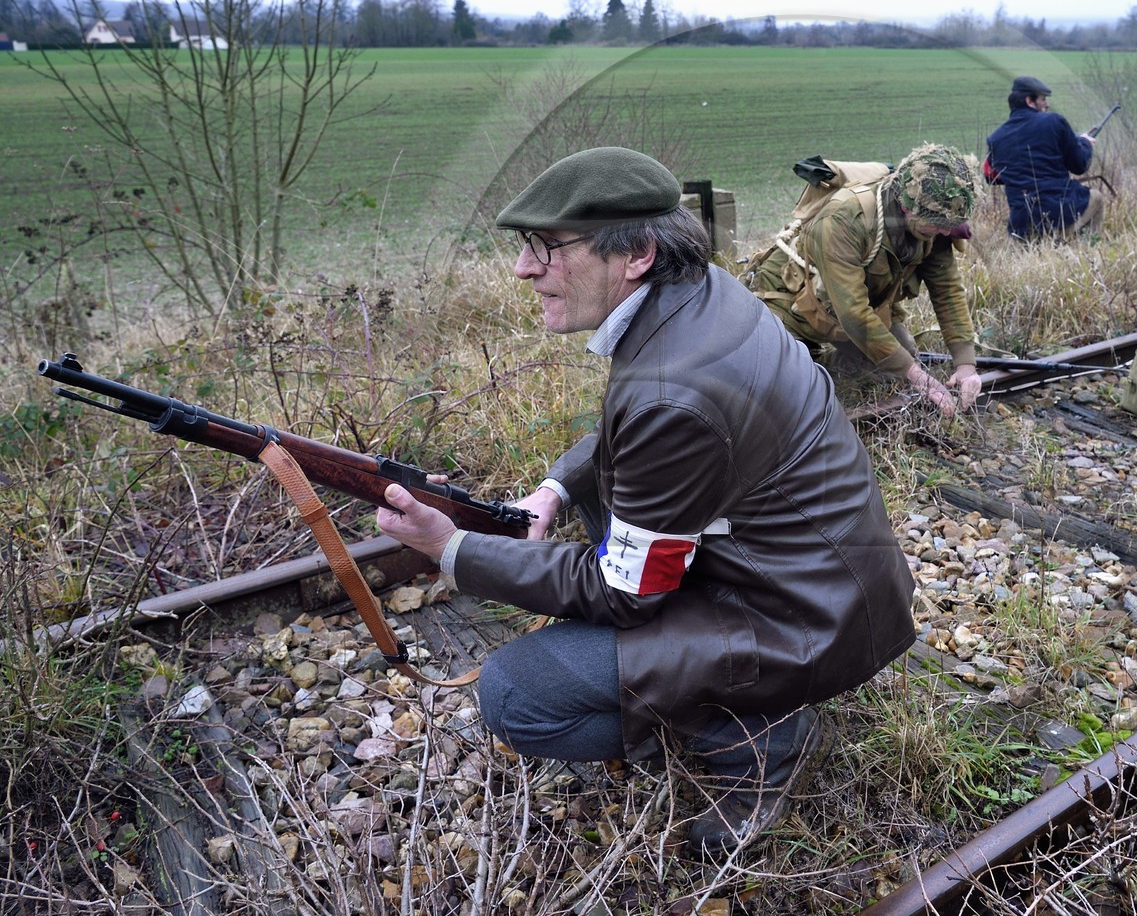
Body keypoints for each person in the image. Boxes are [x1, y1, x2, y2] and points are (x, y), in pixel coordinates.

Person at [374, 147, 915, 856]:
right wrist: (556, 488)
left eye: (547, 247)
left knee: (514, 695)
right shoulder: (700, 294)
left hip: (806, 623)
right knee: (602, 511)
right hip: (826, 580)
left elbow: (623, 593)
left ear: (636, 255)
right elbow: (629, 438)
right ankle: (729, 703)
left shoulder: (673, 390)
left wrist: (454, 551)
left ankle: (759, 738)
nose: (524, 268)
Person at [743, 143, 982, 417]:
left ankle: (824, 365)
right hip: (791, 308)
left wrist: (966, 366)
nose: (946, 231)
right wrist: (918, 376)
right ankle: (805, 361)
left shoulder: (937, 220)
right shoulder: (844, 219)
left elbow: (947, 291)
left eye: (949, 225)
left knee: (896, 364)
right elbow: (853, 312)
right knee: (782, 387)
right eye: (938, 225)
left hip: (847, 314)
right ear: (907, 208)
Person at [984, 75, 1098, 240]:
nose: (1047, 104)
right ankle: (1088, 248)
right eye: (1043, 99)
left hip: (1021, 225)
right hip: (1059, 214)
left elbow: (990, 177)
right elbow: (1079, 166)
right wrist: (1085, 144)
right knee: (1096, 198)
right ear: (1030, 101)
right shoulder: (1054, 121)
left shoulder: (995, 138)